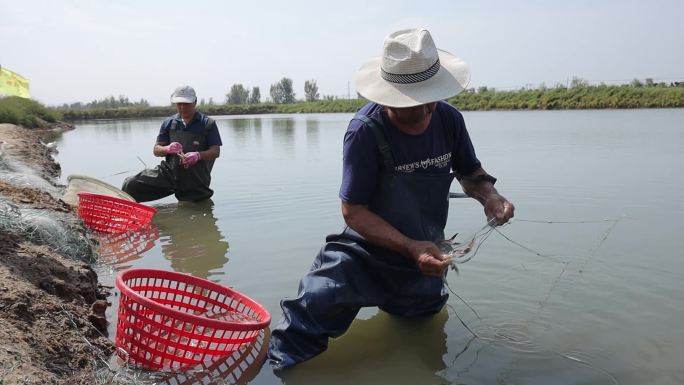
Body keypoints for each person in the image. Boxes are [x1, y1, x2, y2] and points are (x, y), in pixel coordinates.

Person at [267, 28, 515, 369]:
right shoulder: (364, 131)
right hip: (364, 251)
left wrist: (490, 195)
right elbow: (353, 211)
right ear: (388, 98)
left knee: (422, 333)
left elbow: (471, 173)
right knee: (313, 307)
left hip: (425, 254)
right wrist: (408, 246)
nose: (426, 110)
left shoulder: (449, 120)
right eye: (413, 106)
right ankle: (277, 370)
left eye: (430, 100)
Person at [122, 85, 222, 202]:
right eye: (179, 103)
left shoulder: (208, 124)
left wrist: (198, 155)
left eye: (186, 104)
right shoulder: (169, 122)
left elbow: (216, 152)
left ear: (195, 102)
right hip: (169, 173)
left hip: (195, 179)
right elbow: (156, 150)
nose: (182, 107)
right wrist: (167, 149)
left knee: (193, 211)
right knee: (130, 185)